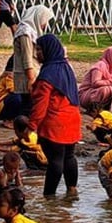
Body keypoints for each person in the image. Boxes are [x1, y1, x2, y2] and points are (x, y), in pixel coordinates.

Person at [29, 34, 82, 196]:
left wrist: (31, 126)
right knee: (69, 157)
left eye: (39, 49)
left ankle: (49, 197)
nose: (37, 53)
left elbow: (40, 106)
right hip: (73, 119)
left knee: (55, 160)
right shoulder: (66, 68)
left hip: (55, 123)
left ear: (48, 50)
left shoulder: (47, 75)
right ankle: (72, 190)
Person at [12, 5, 55, 116]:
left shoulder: (31, 32)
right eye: (44, 20)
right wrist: (31, 79)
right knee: (28, 106)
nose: (45, 24)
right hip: (26, 74)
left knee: (30, 105)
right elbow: (27, 57)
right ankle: (24, 128)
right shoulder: (25, 32)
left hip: (31, 72)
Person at [78, 46, 112, 114]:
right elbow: (95, 83)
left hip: (99, 92)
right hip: (87, 94)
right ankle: (93, 109)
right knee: (106, 90)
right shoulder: (100, 66)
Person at [0, 56, 24, 129]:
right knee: (16, 97)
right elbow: (13, 90)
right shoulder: (9, 76)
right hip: (0, 108)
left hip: (7, 104)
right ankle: (9, 119)